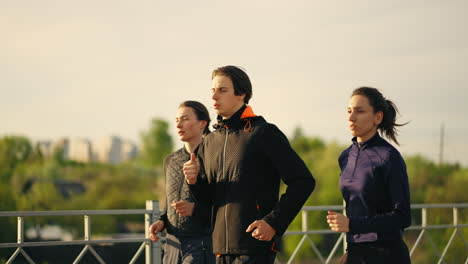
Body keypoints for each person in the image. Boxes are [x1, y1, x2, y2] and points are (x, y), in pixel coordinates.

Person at [183, 65, 316, 264]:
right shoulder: (209, 142)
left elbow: (303, 181)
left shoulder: (263, 133)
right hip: (219, 250)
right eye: (212, 91)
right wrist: (194, 182)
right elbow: (209, 200)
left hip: (255, 247)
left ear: (242, 93)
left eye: (222, 90)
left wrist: (273, 222)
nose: (214, 97)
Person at [326, 87, 411, 263]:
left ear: (377, 117)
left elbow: (402, 216)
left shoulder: (389, 157)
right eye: (349, 111)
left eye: (360, 111)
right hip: (356, 254)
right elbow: (357, 206)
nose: (351, 118)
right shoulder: (345, 156)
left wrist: (351, 224)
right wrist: (351, 250)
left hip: (387, 255)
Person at [149, 101, 215, 264]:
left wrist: (195, 209)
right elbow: (169, 201)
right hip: (172, 244)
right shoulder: (170, 160)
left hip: (202, 245)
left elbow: (226, 208)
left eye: (185, 119)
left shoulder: (215, 159)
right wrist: (162, 221)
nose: (178, 125)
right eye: (176, 120)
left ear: (202, 123)